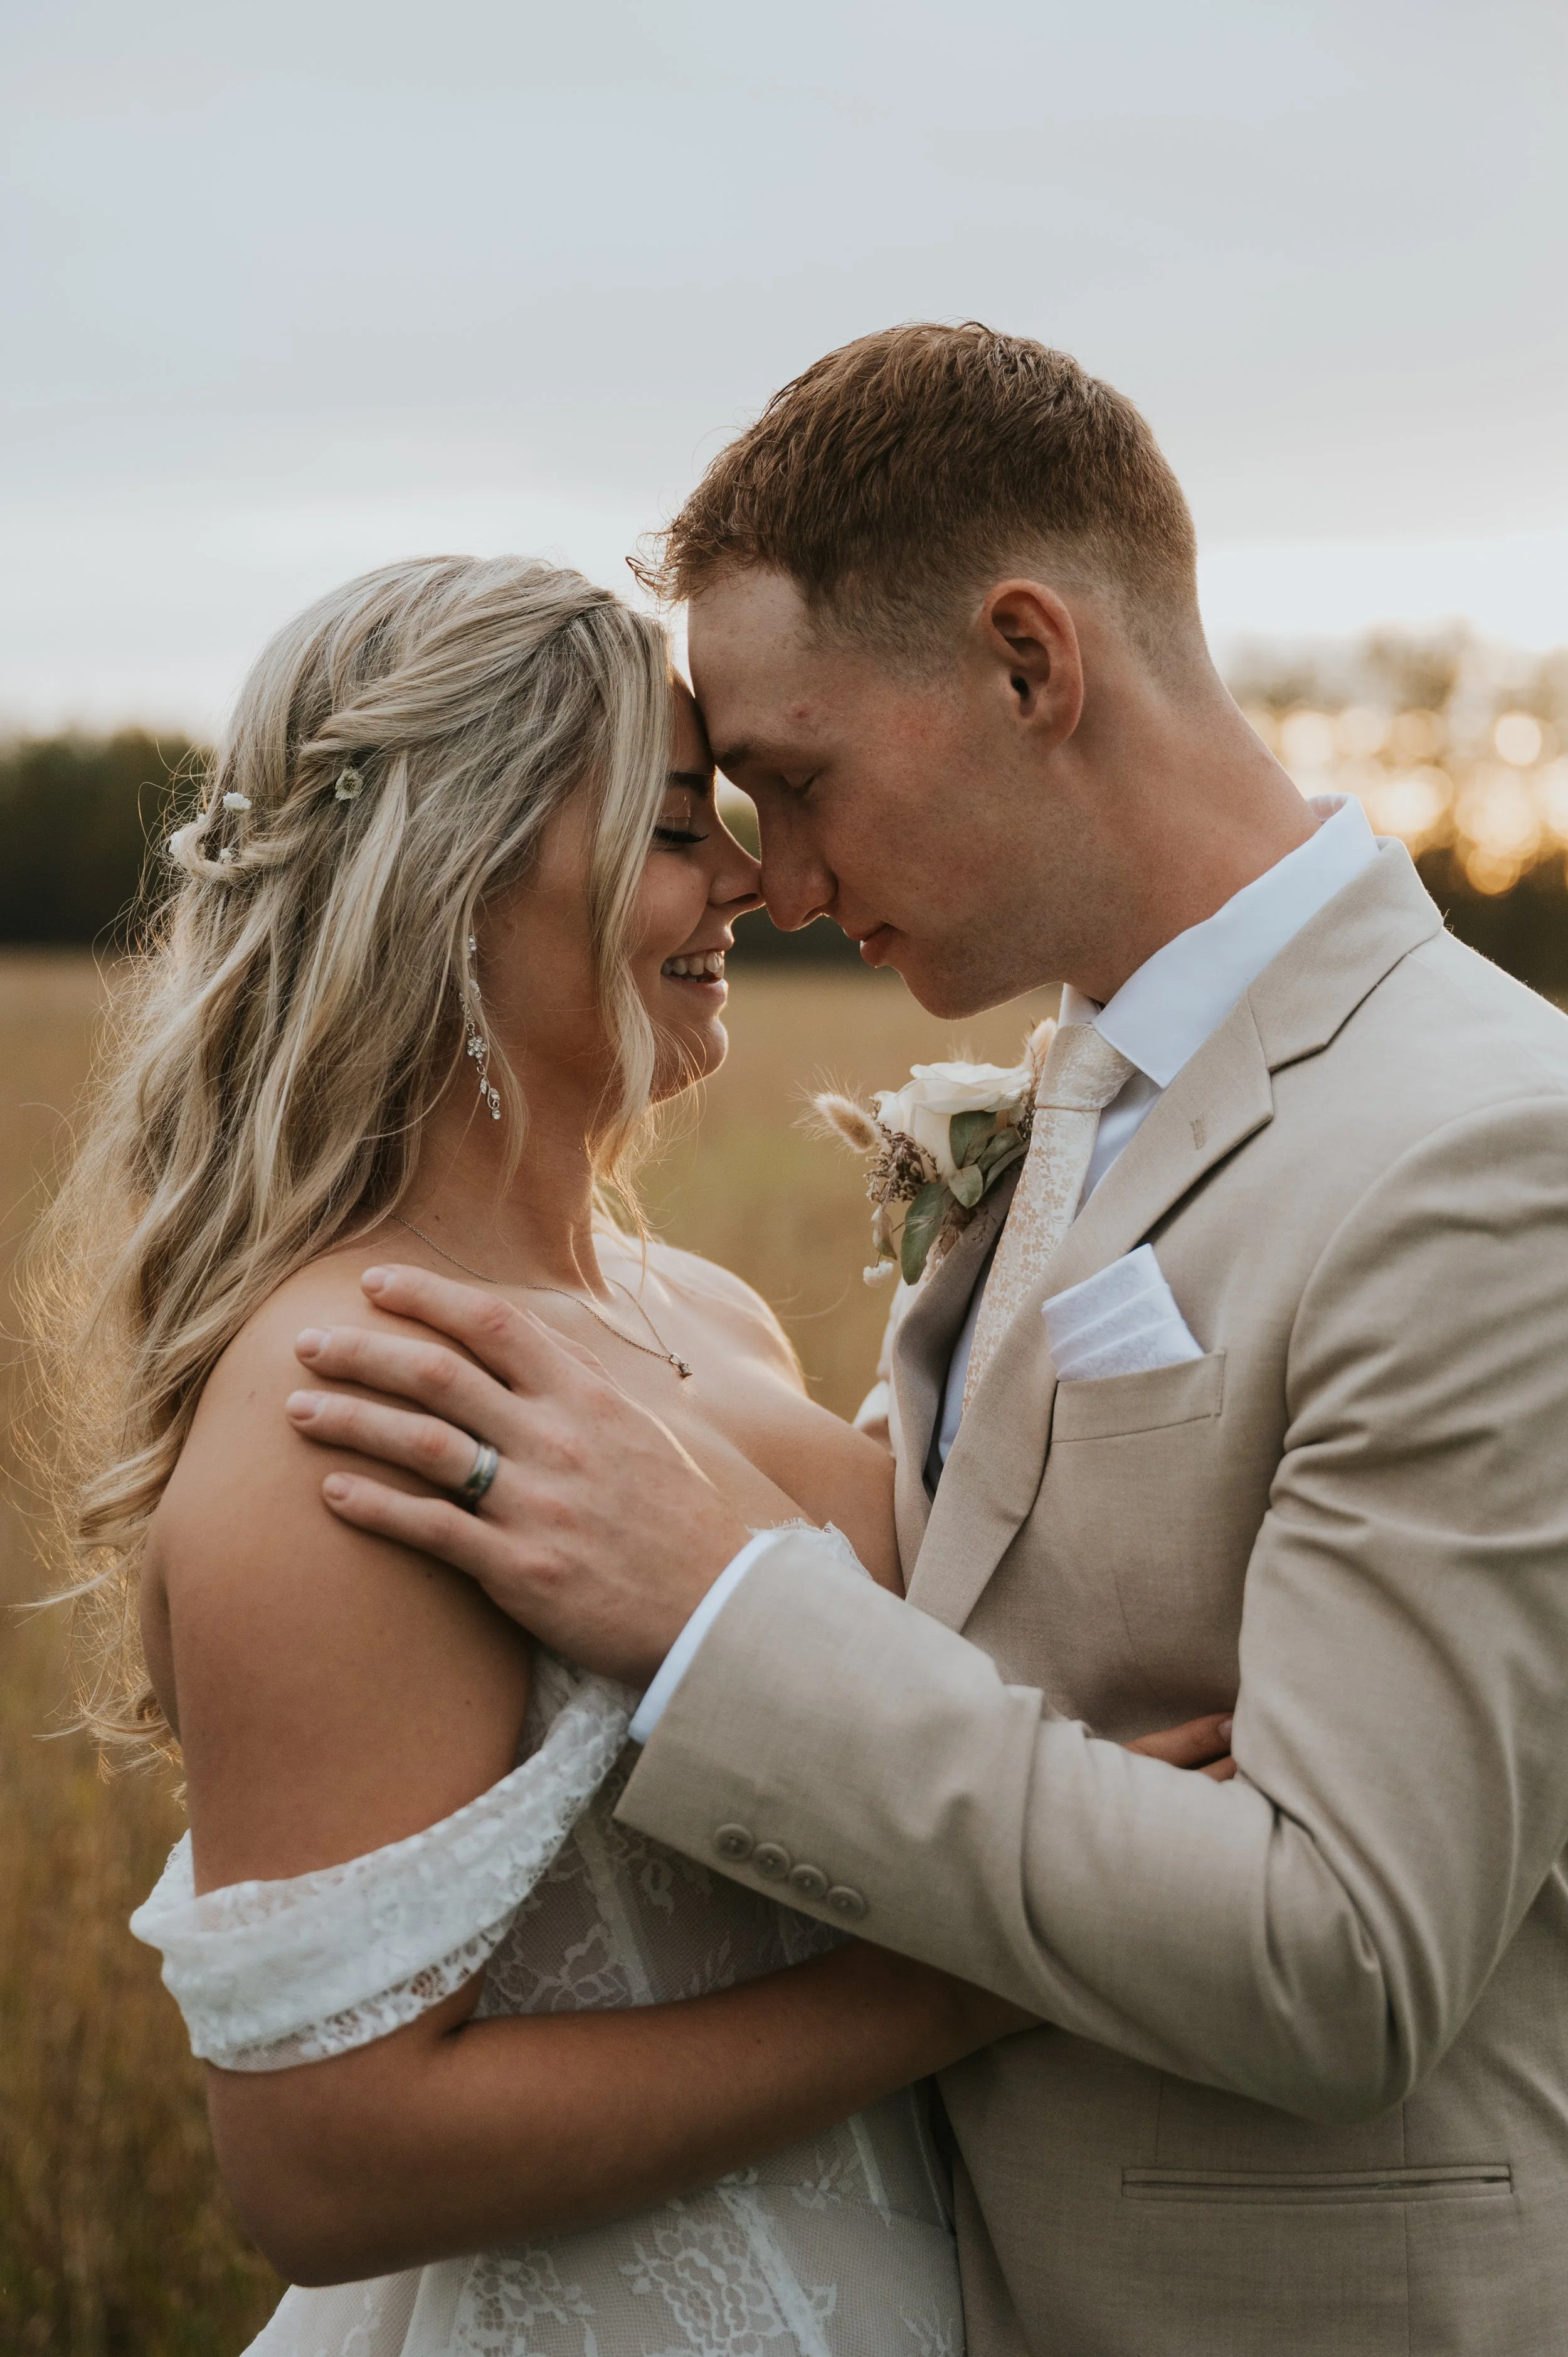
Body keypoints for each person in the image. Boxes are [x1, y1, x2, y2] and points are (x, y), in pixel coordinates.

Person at [296, 327, 1568, 2355]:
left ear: (1024, 663)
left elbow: (1342, 1963)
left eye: (795, 781)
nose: (775, 881)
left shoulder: (1485, 1149)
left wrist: (720, 1617)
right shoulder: (1074, 1081)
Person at [33, 550, 1226, 2357]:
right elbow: (326, 2162)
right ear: (451, 879)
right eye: (680, 825)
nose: (749, 875)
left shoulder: (707, 1307)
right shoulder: (354, 1399)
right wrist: (972, 1973)